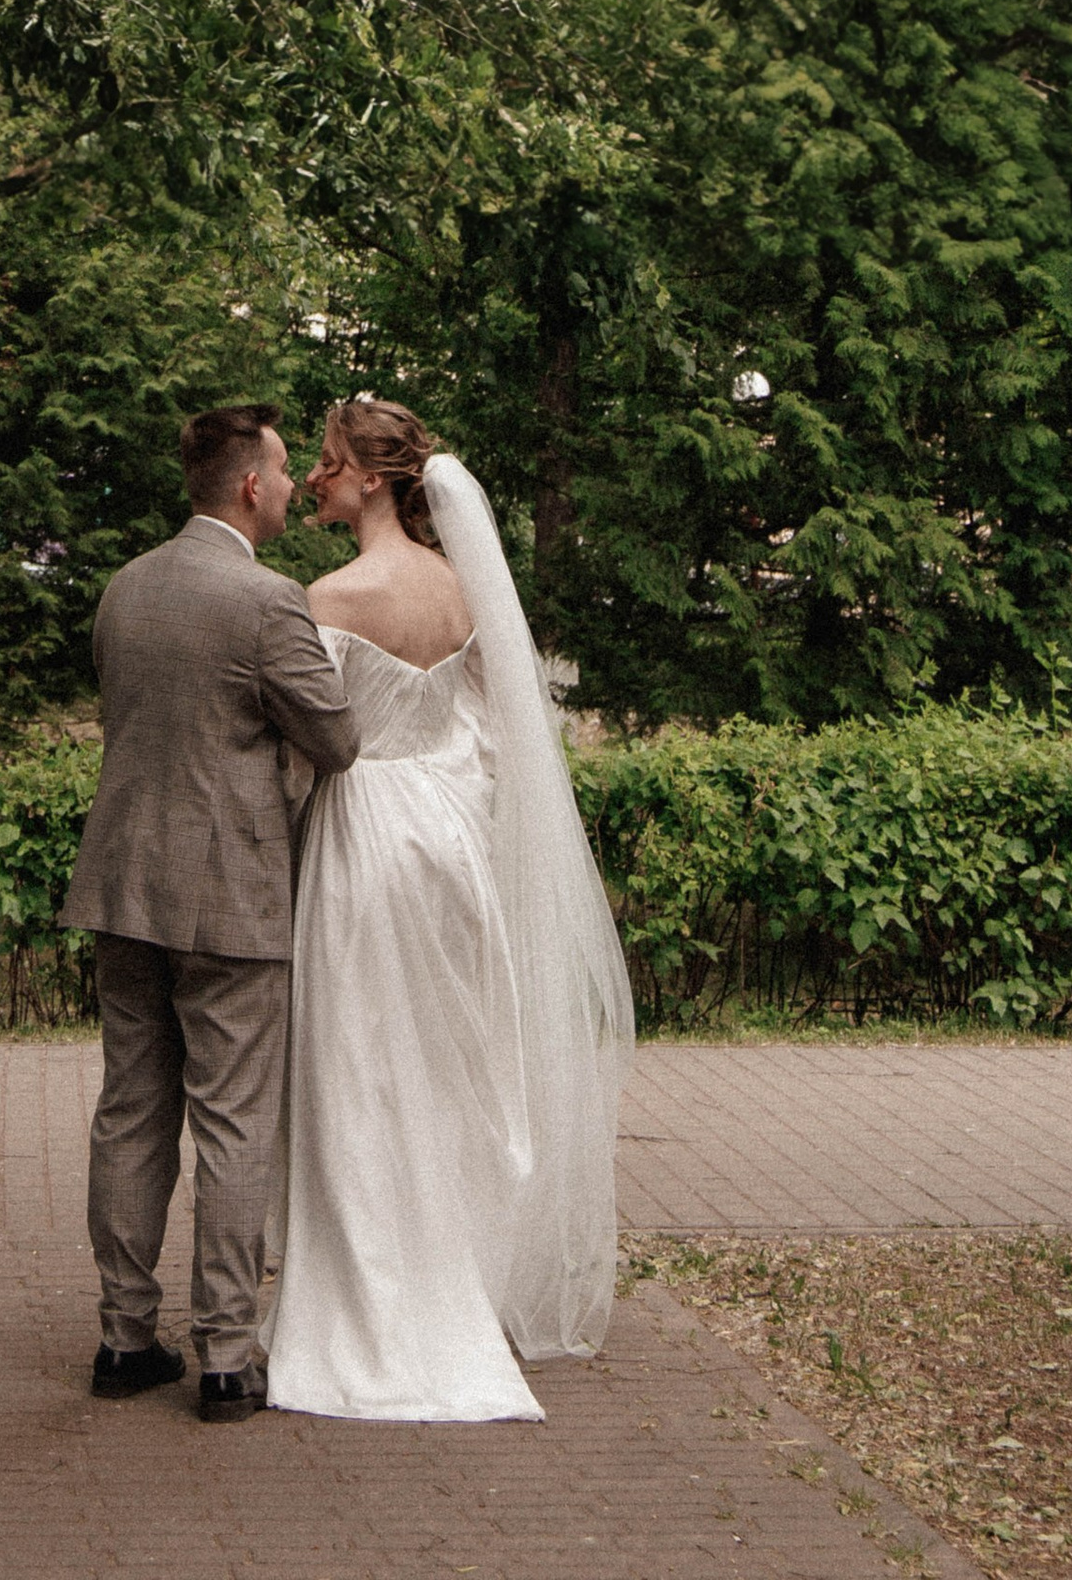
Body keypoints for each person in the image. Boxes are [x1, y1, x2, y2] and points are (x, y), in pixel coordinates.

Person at [261, 398, 634, 1424]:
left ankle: (368, 1305)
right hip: (452, 838)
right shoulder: (471, 593)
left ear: (372, 479)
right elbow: (490, 737)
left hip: (365, 831)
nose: (321, 480)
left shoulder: (327, 598)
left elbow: (307, 749)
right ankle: (455, 1278)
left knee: (354, 1064)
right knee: (446, 1063)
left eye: (331, 463)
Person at [59, 401, 359, 1421]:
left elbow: (137, 720)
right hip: (229, 893)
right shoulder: (268, 601)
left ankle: (121, 1338)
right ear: (247, 485)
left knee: (131, 1111)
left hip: (120, 884)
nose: (288, 486)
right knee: (232, 1121)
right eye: (281, 472)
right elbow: (337, 737)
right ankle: (227, 1356)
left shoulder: (123, 589)